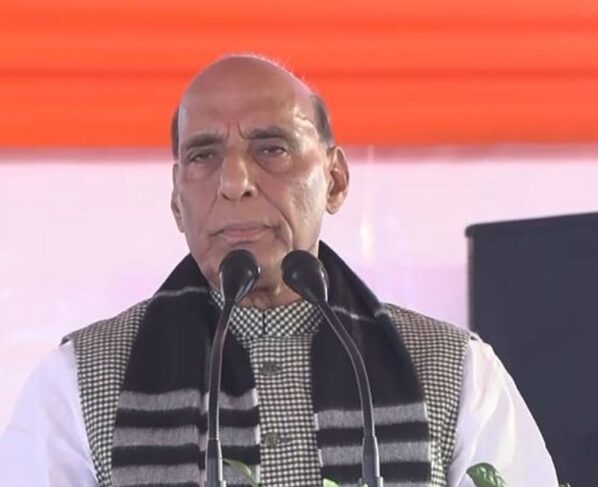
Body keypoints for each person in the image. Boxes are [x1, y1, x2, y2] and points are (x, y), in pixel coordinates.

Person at [0, 54, 559, 487]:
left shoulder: (457, 371)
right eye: (203, 156)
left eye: (271, 149)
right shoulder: (76, 381)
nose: (234, 182)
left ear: (335, 181)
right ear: (176, 201)